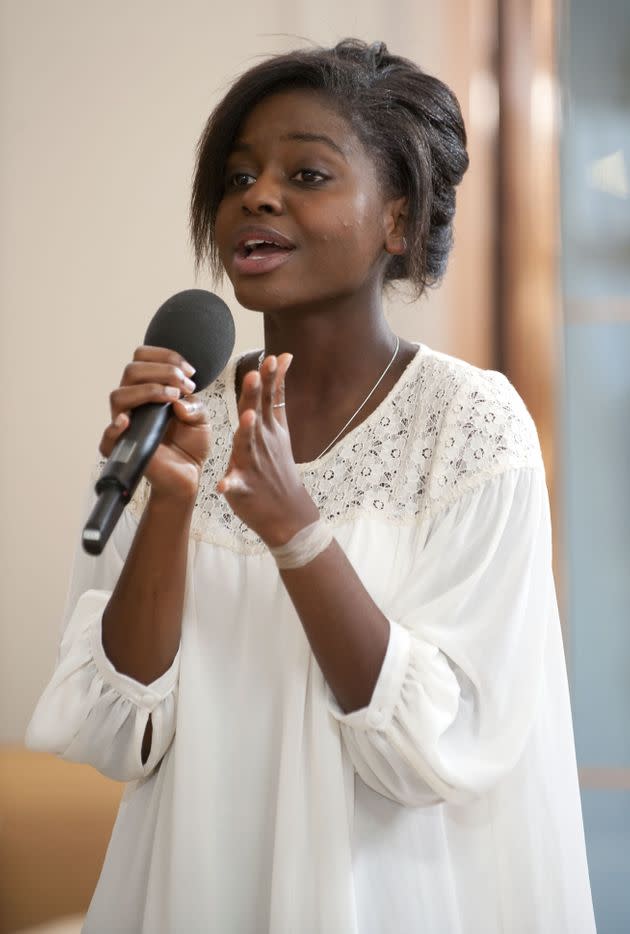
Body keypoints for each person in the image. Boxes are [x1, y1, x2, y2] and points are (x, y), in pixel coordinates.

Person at [26, 39, 595, 934]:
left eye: (309, 174)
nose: (258, 194)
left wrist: (300, 534)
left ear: (397, 223)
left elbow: (432, 748)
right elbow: (123, 731)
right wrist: (172, 500)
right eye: (239, 176)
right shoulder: (180, 426)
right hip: (192, 890)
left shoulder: (472, 424)